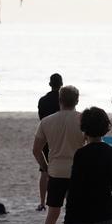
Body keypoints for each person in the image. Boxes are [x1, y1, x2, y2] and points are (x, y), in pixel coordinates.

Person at [32, 85, 83, 224]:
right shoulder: (83, 119)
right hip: (77, 173)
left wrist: (45, 166)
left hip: (55, 172)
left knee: (52, 215)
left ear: (59, 100)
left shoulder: (47, 121)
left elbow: (36, 149)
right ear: (77, 100)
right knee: (77, 216)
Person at [36, 73, 63, 212]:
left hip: (47, 136)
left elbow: (41, 118)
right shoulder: (64, 100)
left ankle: (42, 202)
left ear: (50, 84)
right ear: (61, 84)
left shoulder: (43, 100)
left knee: (44, 171)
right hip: (61, 137)